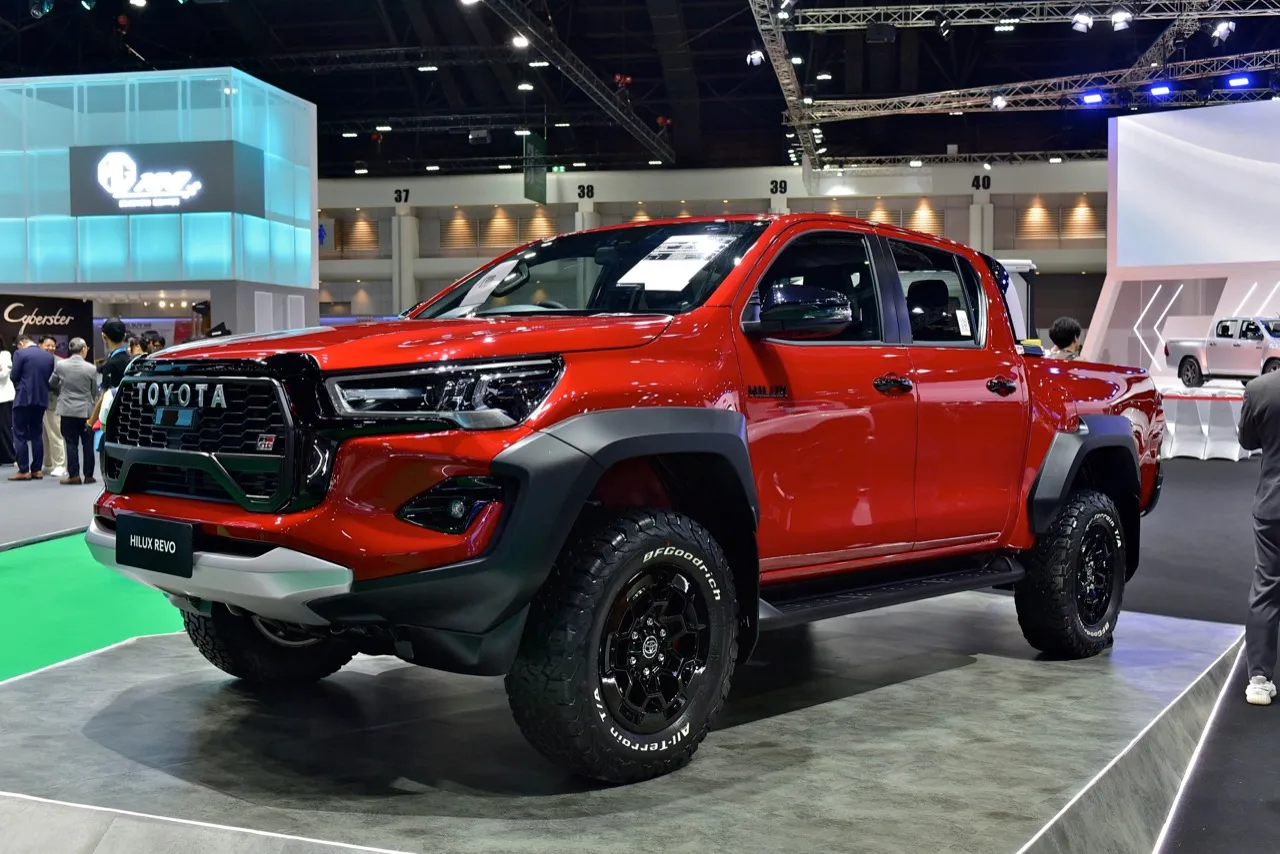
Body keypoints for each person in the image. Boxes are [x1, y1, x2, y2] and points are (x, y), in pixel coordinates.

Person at [1239, 369, 1280, 704]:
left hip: (1272, 503)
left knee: (1266, 586)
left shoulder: (1259, 389)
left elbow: (1248, 441)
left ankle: (1259, 679)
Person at [52, 337, 99, 485]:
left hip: (67, 410)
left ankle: (74, 475)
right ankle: (89, 476)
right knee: (88, 444)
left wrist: (62, 391)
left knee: (71, 443)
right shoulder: (91, 368)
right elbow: (94, 391)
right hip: (86, 411)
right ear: (84, 349)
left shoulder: (61, 365)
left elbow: (52, 383)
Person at [8, 336, 55, 481]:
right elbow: (48, 377)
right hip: (41, 398)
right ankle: (36, 469)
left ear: (21, 343)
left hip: (23, 398)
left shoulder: (20, 354)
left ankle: (23, 470)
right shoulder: (49, 357)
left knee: (19, 434)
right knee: (37, 434)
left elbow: (14, 376)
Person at [88, 318, 131, 434]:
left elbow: (104, 396)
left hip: (112, 419)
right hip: (128, 415)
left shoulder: (111, 363)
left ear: (104, 336)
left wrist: (90, 422)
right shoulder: (130, 359)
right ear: (124, 336)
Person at [38, 336, 67, 479]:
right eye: (47, 345)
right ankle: (48, 463)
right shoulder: (37, 360)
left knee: (55, 433)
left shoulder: (60, 362)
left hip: (54, 402)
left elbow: (62, 383)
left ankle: (60, 465)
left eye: (53, 345)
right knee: (45, 434)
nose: (50, 348)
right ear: (40, 345)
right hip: (39, 401)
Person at [0, 333, 14, 467]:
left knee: (4, 428)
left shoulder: (5, 354)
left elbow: (3, 374)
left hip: (3, 398)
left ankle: (9, 457)